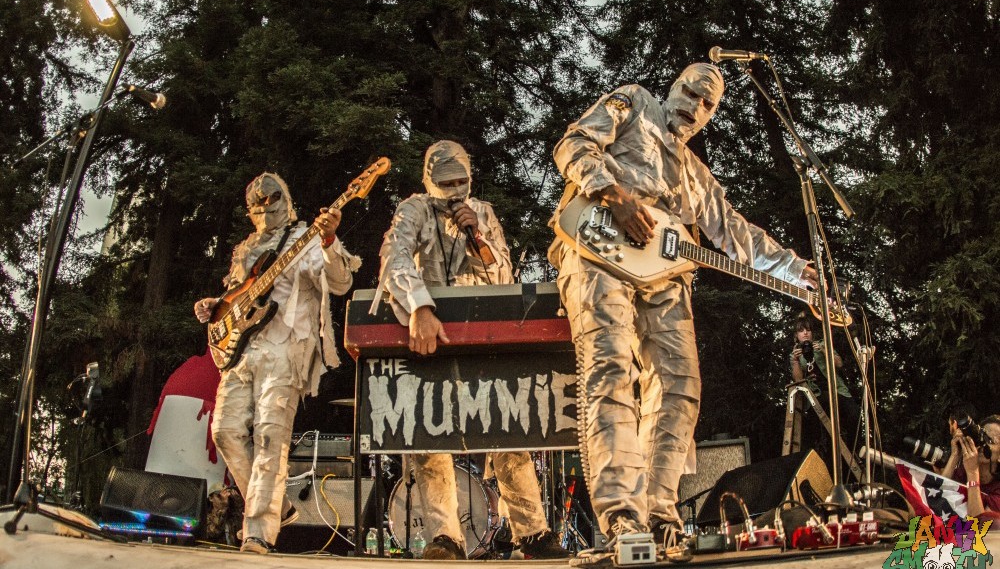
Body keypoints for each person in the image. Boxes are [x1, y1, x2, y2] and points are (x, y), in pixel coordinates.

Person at [549, 63, 818, 560]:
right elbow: (573, 145)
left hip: (667, 276)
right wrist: (616, 195)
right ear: (672, 85)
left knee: (680, 385)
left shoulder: (695, 173)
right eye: (690, 92)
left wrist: (796, 271)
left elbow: (734, 232)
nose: (693, 106)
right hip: (597, 250)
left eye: (706, 104)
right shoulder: (632, 102)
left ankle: (658, 513)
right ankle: (621, 517)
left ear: (710, 116)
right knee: (609, 371)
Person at [374, 140, 568, 560]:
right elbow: (394, 259)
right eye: (446, 183)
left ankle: (531, 532)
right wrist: (419, 306)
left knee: (511, 428)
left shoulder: (482, 211)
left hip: (486, 335)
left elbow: (504, 271)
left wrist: (477, 234)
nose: (455, 190)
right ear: (429, 180)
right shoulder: (414, 210)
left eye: (461, 181)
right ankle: (446, 537)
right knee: (430, 434)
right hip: (431, 332)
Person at [194, 172, 360, 554]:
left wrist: (330, 239)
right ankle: (280, 506)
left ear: (286, 199)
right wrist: (215, 307)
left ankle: (258, 532)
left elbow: (340, 282)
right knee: (225, 431)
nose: (266, 208)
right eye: (258, 204)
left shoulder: (306, 236)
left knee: (271, 436)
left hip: (287, 346)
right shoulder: (246, 249)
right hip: (243, 351)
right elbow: (239, 296)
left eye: (273, 200)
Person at [789, 313, 860, 452]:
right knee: (823, 428)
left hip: (837, 389)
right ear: (796, 335)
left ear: (812, 333)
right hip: (817, 394)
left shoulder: (822, 344)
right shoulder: (795, 354)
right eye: (801, 330)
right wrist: (796, 361)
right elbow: (798, 380)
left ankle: (853, 450)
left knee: (854, 414)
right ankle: (830, 450)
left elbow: (839, 364)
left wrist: (823, 350)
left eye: (808, 330)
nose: (805, 333)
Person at [940, 414, 1000, 517]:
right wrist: (955, 455)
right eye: (981, 436)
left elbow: (979, 526)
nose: (982, 444)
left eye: (990, 441)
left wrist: (972, 473)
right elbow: (934, 498)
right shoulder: (962, 472)